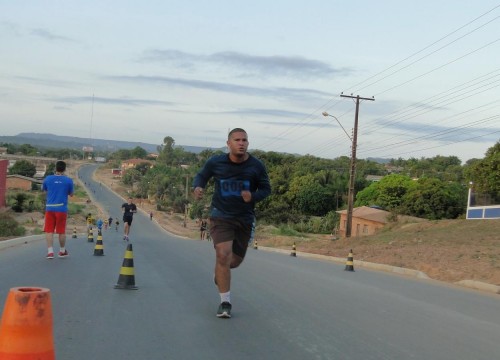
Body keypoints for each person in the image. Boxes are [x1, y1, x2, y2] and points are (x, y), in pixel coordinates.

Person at [193, 128, 271, 318]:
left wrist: (253, 196)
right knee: (223, 255)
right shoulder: (216, 162)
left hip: (244, 218)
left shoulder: (256, 165)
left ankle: (219, 274)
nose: (241, 143)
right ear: (228, 143)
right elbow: (202, 175)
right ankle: (225, 303)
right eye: (237, 140)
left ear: (248, 144)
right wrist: (198, 186)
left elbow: (266, 189)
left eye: (244, 140)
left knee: (233, 262)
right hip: (221, 215)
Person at [42, 160, 74, 259]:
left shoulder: (48, 178)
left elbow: (44, 190)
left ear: (55, 168)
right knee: (61, 231)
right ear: (65, 169)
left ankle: (50, 252)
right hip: (61, 209)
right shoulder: (68, 180)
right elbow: (71, 194)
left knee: (49, 230)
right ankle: (62, 251)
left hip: (50, 208)